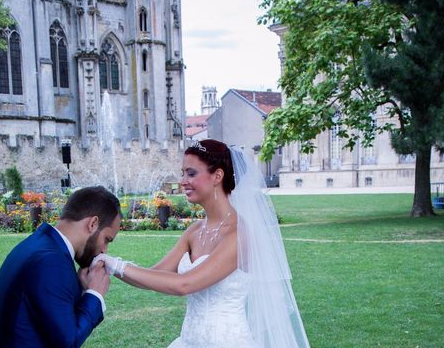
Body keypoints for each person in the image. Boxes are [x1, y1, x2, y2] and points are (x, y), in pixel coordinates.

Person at [95, 139, 310, 347]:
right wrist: (106, 266)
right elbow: (155, 274)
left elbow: (184, 284)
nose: (182, 181)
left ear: (217, 176)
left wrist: (117, 265)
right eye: (183, 173)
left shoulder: (239, 234)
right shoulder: (195, 231)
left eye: (191, 173)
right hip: (188, 341)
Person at [0, 185, 122, 348]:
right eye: (107, 239)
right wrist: (95, 294)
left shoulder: (38, 244)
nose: (104, 250)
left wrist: (82, 291)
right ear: (93, 223)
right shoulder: (51, 261)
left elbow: (48, 319)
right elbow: (67, 343)